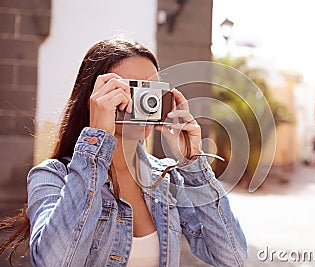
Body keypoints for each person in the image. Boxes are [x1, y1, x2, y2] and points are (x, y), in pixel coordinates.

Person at [0, 37, 247, 267]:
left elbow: (232, 258)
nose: (144, 102)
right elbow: (53, 261)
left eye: (151, 90)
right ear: (93, 98)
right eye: (128, 89)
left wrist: (193, 163)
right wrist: (96, 140)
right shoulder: (51, 177)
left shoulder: (166, 180)